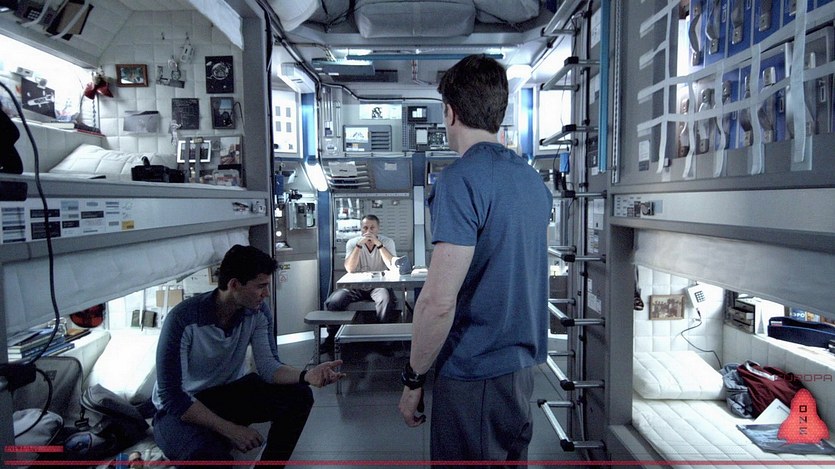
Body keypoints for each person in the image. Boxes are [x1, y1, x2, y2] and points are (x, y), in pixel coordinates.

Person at [397, 54, 553, 465]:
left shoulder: (460, 180)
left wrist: (413, 378)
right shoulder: (532, 181)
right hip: (520, 373)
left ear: (449, 113)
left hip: (474, 372)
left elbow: (437, 302)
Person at [152, 244, 344, 467]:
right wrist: (231, 430)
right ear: (234, 285)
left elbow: (269, 367)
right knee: (209, 456)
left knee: (299, 396)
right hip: (180, 407)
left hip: (225, 394)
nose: (267, 293)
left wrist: (306, 376)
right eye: (260, 286)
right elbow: (172, 396)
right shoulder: (183, 319)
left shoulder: (257, 312)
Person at [321, 214, 397, 352]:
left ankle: (384, 341)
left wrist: (379, 245)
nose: (369, 231)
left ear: (378, 229)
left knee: (385, 299)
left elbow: (392, 266)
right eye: (365, 228)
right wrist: (358, 246)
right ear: (361, 229)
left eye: (372, 228)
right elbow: (350, 268)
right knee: (334, 301)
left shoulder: (387, 242)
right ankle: (332, 338)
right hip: (355, 286)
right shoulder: (353, 243)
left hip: (378, 286)